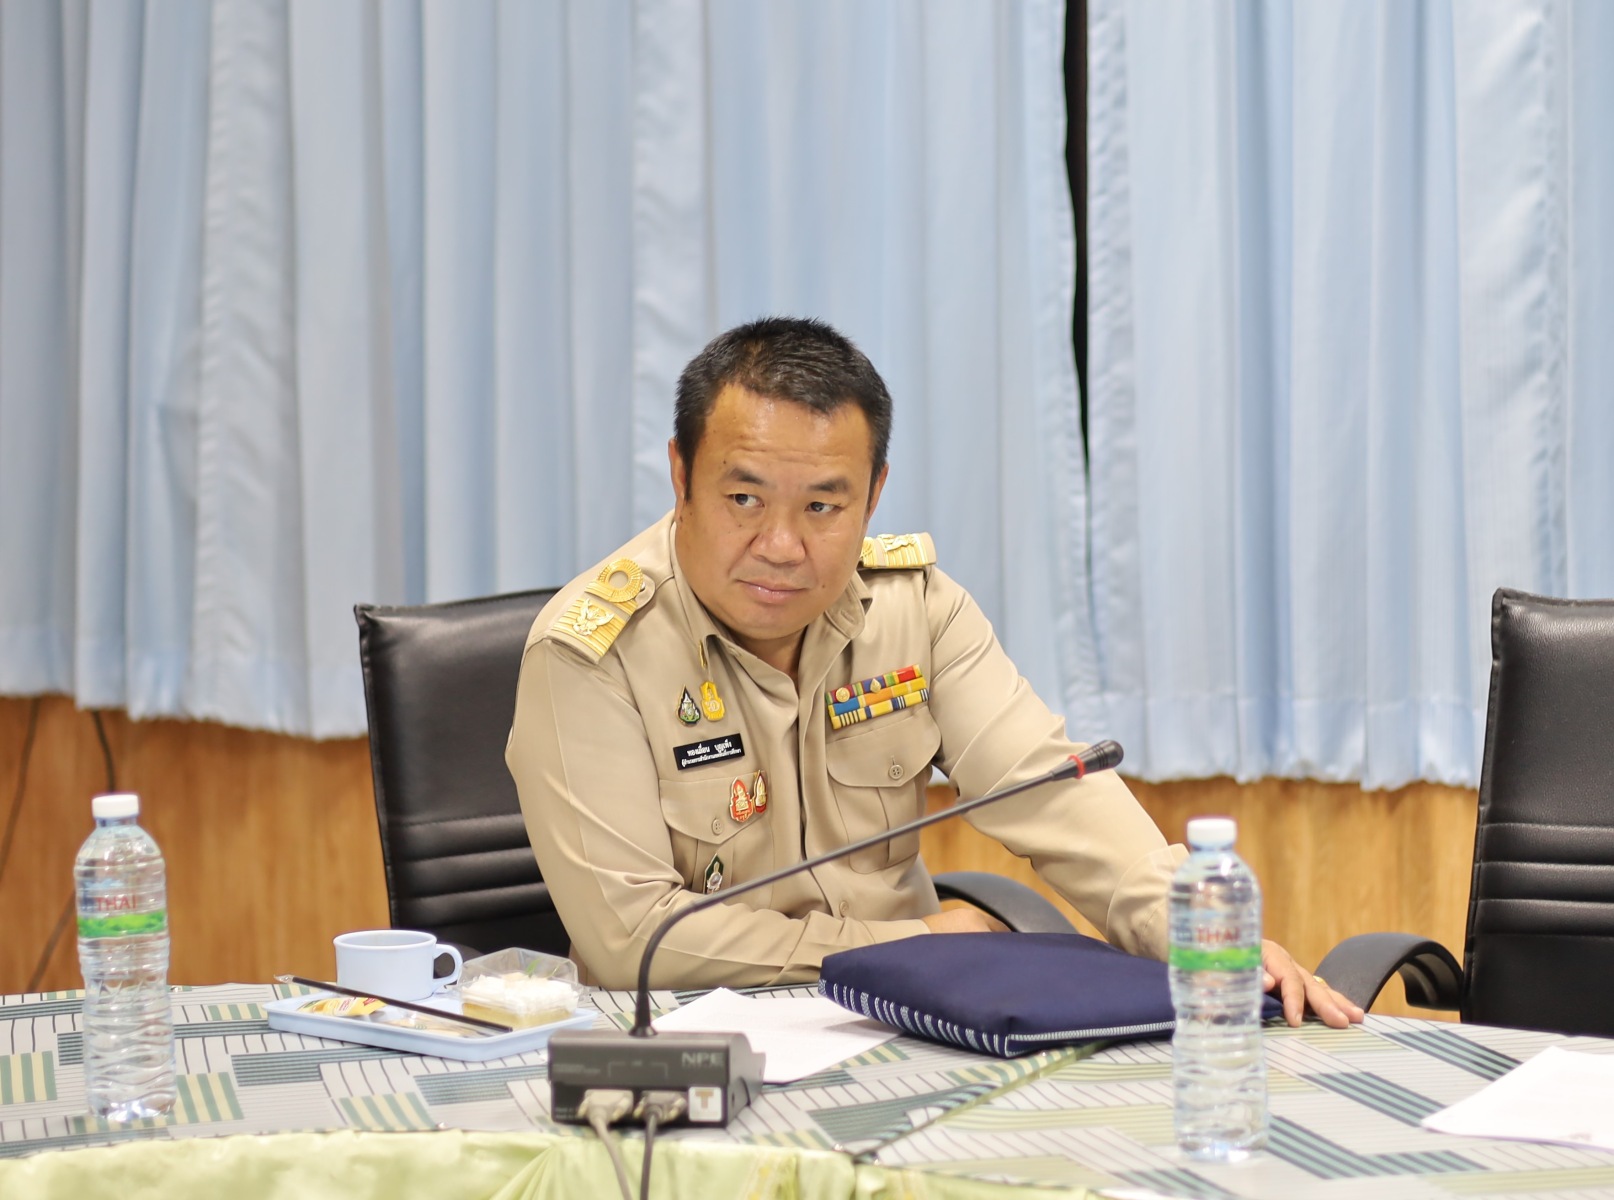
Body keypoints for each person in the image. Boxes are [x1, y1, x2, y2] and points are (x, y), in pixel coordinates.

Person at [506, 316, 1362, 1028]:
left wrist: (1200, 934)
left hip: (901, 1026)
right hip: (681, 1039)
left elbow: (1050, 790)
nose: (781, 545)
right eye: (744, 499)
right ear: (680, 476)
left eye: (822, 506)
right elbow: (632, 940)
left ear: (873, 495)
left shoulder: (916, 610)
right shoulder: (591, 655)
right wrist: (903, 944)